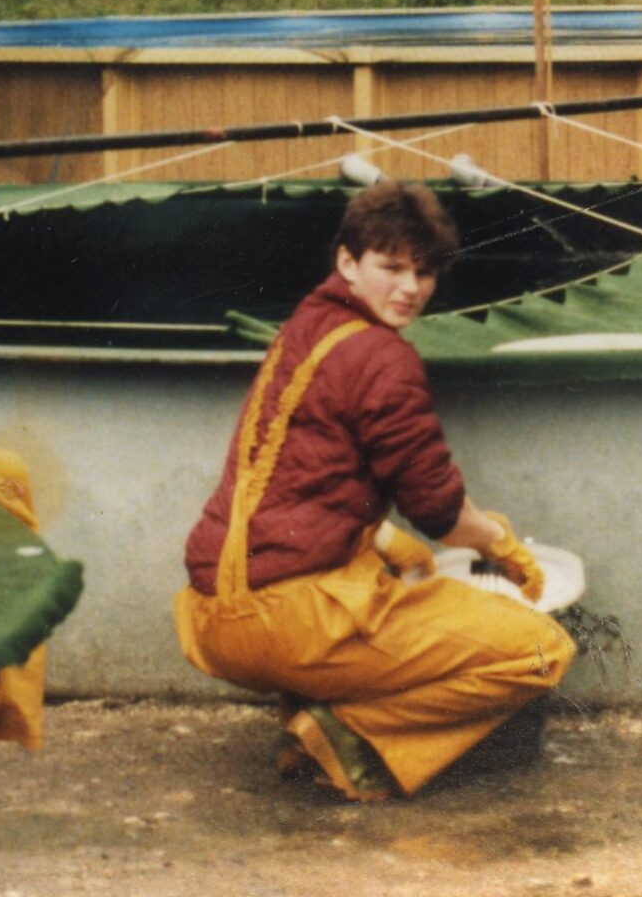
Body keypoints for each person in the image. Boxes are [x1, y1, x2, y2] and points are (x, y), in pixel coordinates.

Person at [174, 180, 575, 802]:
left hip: (211, 618)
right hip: (290, 623)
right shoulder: (384, 358)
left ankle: (320, 709)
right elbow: (440, 514)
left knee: (382, 568)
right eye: (390, 267)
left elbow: (299, 474)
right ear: (347, 262)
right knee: (543, 650)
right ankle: (345, 731)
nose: (410, 288)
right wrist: (502, 541)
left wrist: (380, 535)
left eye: (424, 272)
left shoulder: (304, 330)